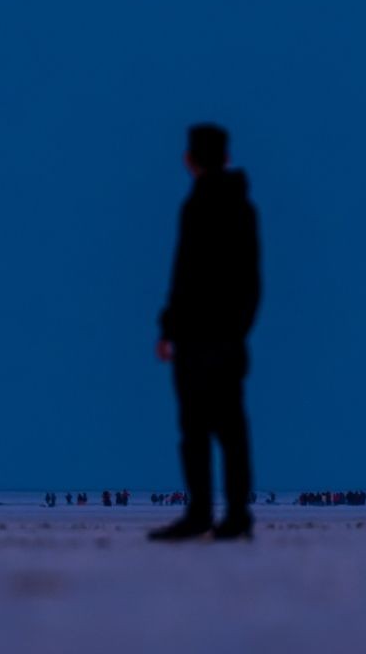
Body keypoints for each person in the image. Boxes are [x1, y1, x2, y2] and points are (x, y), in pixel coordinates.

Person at [149, 123, 261, 543]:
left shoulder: (202, 206)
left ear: (191, 159)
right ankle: (233, 514)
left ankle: (205, 513)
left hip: (203, 336)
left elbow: (186, 275)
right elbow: (251, 280)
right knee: (228, 430)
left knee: (201, 430)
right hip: (223, 335)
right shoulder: (240, 205)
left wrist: (171, 328)